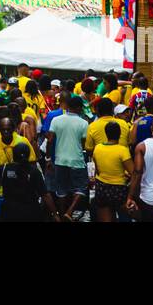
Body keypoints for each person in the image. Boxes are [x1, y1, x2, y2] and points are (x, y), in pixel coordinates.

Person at [44, 92, 90, 221]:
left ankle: (62, 212)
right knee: (80, 187)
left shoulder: (56, 120)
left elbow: (50, 140)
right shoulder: (83, 123)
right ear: (79, 108)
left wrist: (48, 158)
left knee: (61, 190)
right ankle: (69, 212)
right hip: (77, 160)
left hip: (59, 160)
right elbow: (83, 144)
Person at [0, 144, 56, 221]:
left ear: (14, 155)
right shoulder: (34, 171)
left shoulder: (3, 169)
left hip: (9, 212)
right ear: (28, 155)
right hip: (31, 212)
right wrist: (55, 214)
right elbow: (45, 195)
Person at [92, 120, 135, 222]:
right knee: (124, 216)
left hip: (101, 187)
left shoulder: (97, 148)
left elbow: (98, 170)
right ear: (119, 134)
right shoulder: (122, 150)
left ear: (106, 133)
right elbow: (133, 172)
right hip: (118, 189)